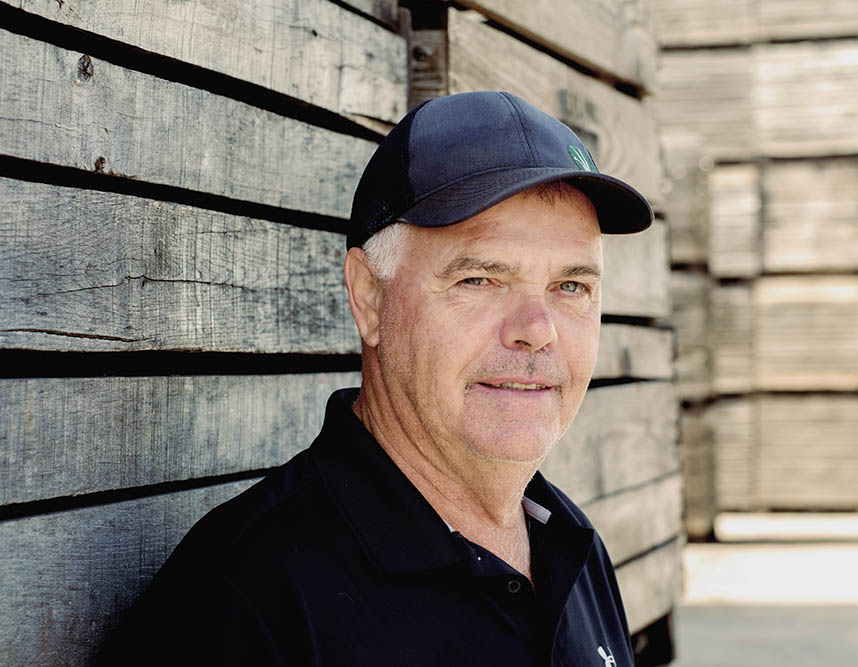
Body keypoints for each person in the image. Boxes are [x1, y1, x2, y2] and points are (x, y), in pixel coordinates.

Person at [96, 91, 653, 666]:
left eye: (572, 287)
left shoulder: (571, 544)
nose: (537, 331)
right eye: (480, 280)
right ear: (369, 297)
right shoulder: (245, 600)